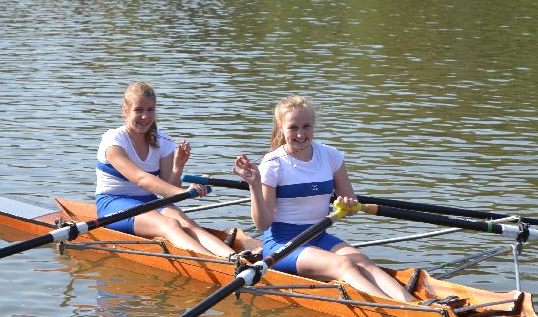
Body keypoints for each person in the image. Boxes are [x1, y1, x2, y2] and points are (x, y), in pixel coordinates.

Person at [233, 95, 416, 302]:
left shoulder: (331, 156)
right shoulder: (272, 163)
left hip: (318, 235)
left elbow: (351, 206)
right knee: (344, 264)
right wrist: (254, 185)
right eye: (293, 128)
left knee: (363, 261)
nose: (301, 134)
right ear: (281, 128)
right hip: (283, 244)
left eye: (306, 126)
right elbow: (263, 224)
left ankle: (413, 304)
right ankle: (395, 309)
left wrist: (348, 205)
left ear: (313, 125)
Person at [95, 82, 236, 258]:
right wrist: (185, 192)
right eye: (138, 110)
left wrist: (178, 166)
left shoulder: (163, 141)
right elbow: (141, 178)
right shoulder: (113, 141)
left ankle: (236, 258)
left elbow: (168, 188)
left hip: (149, 201)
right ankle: (219, 266)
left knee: (187, 223)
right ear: (125, 110)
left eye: (150, 110)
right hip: (113, 203)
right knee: (170, 225)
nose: (145, 116)